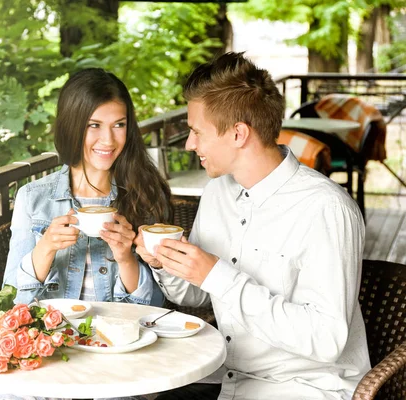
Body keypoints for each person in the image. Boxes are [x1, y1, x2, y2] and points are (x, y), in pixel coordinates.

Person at [134, 52, 370, 400]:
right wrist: (165, 262)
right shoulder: (218, 191)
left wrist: (217, 275)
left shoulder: (327, 208)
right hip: (225, 373)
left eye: (196, 132)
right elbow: (196, 293)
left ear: (238, 134)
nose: (189, 144)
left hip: (303, 387)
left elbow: (325, 340)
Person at [3, 67, 171, 307]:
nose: (108, 140)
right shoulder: (33, 198)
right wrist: (46, 247)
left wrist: (125, 259)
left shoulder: (143, 193)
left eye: (119, 125)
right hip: (55, 340)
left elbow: (155, 306)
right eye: (94, 125)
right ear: (71, 126)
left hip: (120, 341)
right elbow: (10, 299)